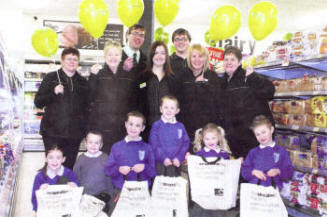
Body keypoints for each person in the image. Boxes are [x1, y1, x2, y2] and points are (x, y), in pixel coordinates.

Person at [34, 47, 88, 169]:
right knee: (53, 166)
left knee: (69, 167)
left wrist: (85, 130)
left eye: (75, 59)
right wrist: (53, 92)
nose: (72, 62)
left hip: (74, 134)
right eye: (69, 59)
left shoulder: (83, 82)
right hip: (52, 133)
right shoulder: (51, 78)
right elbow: (38, 102)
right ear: (62, 61)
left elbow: (86, 108)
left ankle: (66, 187)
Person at [220, 46, 275, 158]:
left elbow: (270, 91)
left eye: (232, 60)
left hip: (253, 136)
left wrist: (253, 77)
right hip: (234, 137)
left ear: (240, 62)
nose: (229, 63)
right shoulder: (222, 83)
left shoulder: (247, 76)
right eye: (226, 60)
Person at [88, 40, 138, 154]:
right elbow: (89, 97)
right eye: (110, 54)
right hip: (102, 128)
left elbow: (133, 101)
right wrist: (92, 77)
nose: (113, 58)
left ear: (121, 57)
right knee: (104, 161)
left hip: (122, 129)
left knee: (121, 161)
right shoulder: (99, 75)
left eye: (116, 54)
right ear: (105, 56)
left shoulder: (127, 76)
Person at [104, 111, 156, 214]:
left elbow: (153, 172)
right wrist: (118, 169)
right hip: (121, 190)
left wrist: (144, 167)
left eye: (137, 125)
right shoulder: (117, 147)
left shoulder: (147, 148)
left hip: (142, 191)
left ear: (142, 128)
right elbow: (107, 170)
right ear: (125, 124)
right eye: (131, 124)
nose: (133, 128)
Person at [179, 44, 222, 147]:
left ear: (206, 58)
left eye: (200, 56)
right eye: (194, 56)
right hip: (187, 128)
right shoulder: (183, 76)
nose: (197, 60)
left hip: (208, 131)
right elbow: (180, 102)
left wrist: (202, 86)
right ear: (189, 58)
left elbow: (217, 103)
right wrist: (195, 85)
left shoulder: (212, 76)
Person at [242, 115, 294, 189]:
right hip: (254, 191)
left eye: (264, 132)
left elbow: (289, 171)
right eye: (258, 134)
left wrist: (278, 171)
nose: (261, 137)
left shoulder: (281, 152)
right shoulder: (252, 152)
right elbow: (244, 170)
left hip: (273, 191)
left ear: (271, 130)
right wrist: (253, 172)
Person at [138, 41, 179, 129]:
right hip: (146, 129)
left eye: (163, 53)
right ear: (151, 55)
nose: (159, 56)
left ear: (166, 56)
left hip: (168, 128)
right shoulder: (142, 78)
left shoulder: (173, 80)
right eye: (156, 53)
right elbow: (137, 103)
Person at [149, 95, 190, 176]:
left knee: (175, 185)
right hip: (160, 163)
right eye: (166, 107)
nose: (169, 110)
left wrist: (179, 157)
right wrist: (163, 158)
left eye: (172, 108)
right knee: (161, 185)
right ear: (161, 109)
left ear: (177, 111)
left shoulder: (180, 126)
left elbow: (185, 144)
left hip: (176, 162)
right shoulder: (156, 125)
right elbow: (154, 144)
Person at [31, 145, 79, 212]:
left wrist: (75, 187)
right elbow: (34, 200)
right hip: (47, 212)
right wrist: (40, 192)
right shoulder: (40, 177)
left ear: (63, 159)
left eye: (58, 158)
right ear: (46, 159)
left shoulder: (70, 174)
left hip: (65, 211)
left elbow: (77, 197)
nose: (54, 161)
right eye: (51, 157)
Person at [73, 130, 113, 198]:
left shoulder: (105, 157)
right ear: (85, 144)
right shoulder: (81, 158)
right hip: (85, 194)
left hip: (102, 194)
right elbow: (76, 175)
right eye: (90, 142)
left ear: (101, 145)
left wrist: (110, 193)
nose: (93, 145)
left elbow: (109, 177)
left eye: (96, 143)